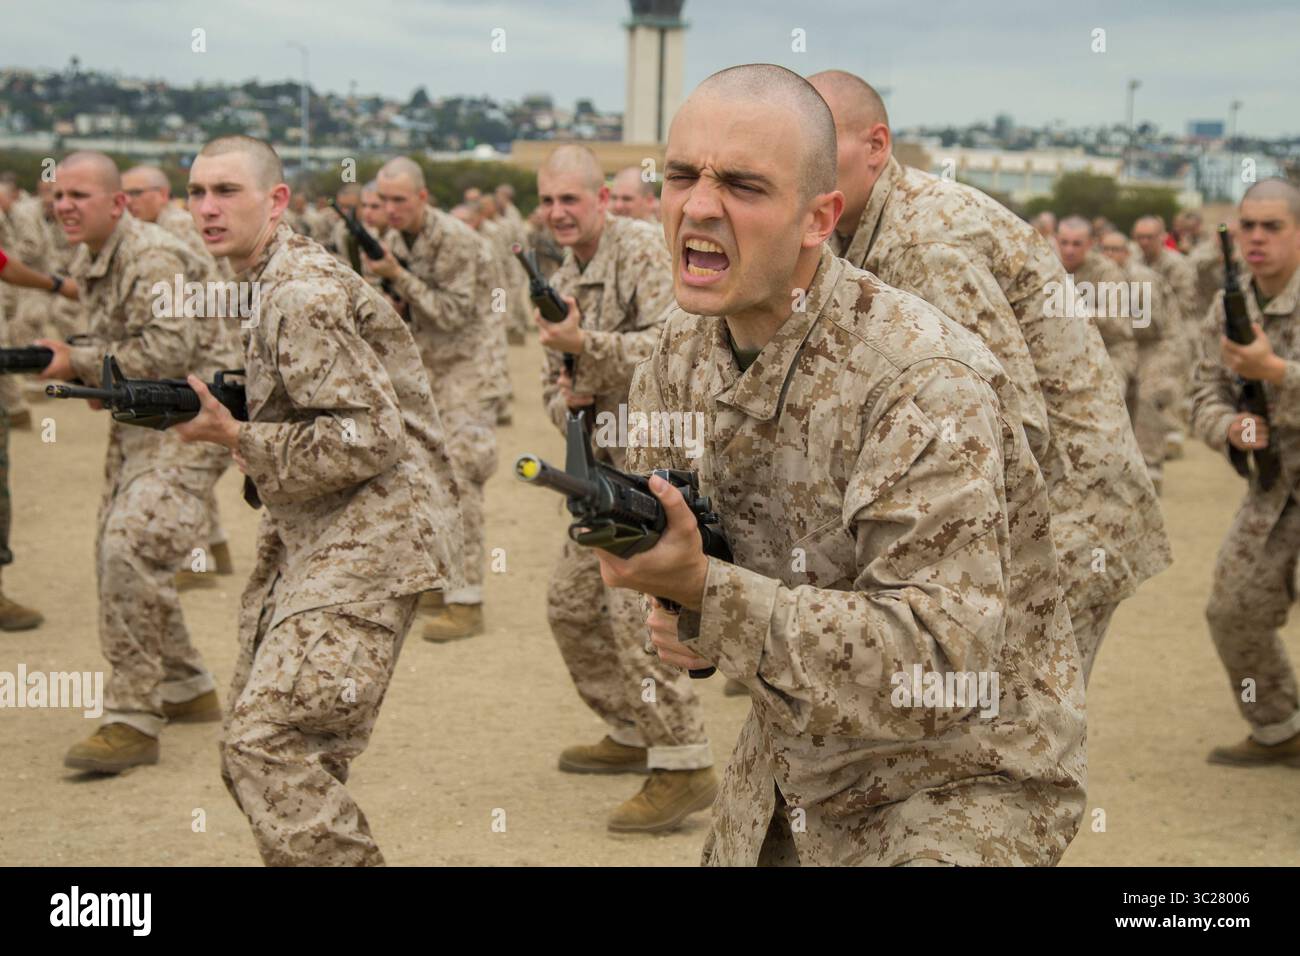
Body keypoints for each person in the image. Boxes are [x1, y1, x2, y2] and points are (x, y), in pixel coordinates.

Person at [599, 64, 1085, 866]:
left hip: (965, 775)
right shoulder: (675, 356)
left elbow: (937, 659)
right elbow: (708, 559)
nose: (698, 206)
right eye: (682, 175)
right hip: (798, 759)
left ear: (820, 217)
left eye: (744, 185)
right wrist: (680, 608)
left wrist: (706, 595)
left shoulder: (921, 378)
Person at [809, 69, 1166, 681]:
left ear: (876, 146)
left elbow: (1005, 419)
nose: (805, 164)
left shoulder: (925, 241)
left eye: (822, 145)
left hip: (1064, 518)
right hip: (1032, 512)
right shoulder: (857, 230)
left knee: (1014, 728)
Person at [174, 135, 463, 865]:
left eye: (226, 192)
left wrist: (235, 435)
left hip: (373, 537)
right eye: (198, 192)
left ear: (276, 201)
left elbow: (370, 437)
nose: (207, 208)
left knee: (267, 745)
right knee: (268, 751)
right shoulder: (269, 279)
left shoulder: (296, 292)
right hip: (321, 534)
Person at [534, 143, 717, 832]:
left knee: (633, 618)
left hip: (655, 465)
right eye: (548, 201)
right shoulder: (562, 277)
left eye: (571, 200)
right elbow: (553, 393)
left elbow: (680, 342)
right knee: (570, 607)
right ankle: (634, 727)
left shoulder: (641, 252)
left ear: (602, 199)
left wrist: (589, 351)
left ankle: (684, 764)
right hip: (597, 473)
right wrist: (569, 397)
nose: (558, 212)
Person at [40, 151, 238, 771]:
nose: (63, 205)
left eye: (79, 195)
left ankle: (132, 717)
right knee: (119, 549)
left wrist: (74, 360)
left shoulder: (151, 255)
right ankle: (186, 686)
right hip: (143, 421)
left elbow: (167, 346)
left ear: (117, 203)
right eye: (58, 194)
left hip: (190, 422)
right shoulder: (94, 256)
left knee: (130, 545)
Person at [1189, 179, 1300, 767]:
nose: (1257, 238)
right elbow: (1202, 390)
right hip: (1275, 486)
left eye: (1273, 226)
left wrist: (1276, 372)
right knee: (1233, 610)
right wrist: (1230, 427)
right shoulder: (1230, 307)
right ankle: (1280, 727)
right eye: (1248, 226)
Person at [368, 157, 497, 641]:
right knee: (421, 478)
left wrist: (399, 277)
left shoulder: (455, 241)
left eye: (400, 200)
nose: (391, 209)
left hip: (466, 371)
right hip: (423, 374)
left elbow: (453, 313)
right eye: (384, 201)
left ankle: (468, 601)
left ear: (423, 198)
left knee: (463, 478)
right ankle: (438, 581)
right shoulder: (394, 241)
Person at [122, 164, 236, 585]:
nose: (130, 202)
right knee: (190, 451)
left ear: (161, 193)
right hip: (203, 347)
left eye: (137, 193)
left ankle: (194, 560)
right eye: (125, 194)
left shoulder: (174, 231)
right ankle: (216, 548)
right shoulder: (162, 229)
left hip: (202, 353)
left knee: (183, 459)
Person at [1099, 228, 1189, 491]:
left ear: (1127, 254)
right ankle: (1123, 465)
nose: (1110, 255)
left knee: (1148, 396)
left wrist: (1105, 320)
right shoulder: (1099, 276)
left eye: (1116, 249)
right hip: (1126, 346)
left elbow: (1149, 324)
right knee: (1117, 398)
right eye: (1105, 248)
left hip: (1158, 344)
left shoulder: (1140, 279)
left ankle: (1151, 466)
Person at [1057, 216, 1140, 411]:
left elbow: (1118, 322)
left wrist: (1075, 311)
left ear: (1090, 244)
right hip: (1064, 350)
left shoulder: (1106, 272)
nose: (1069, 250)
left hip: (1110, 350)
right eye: (1064, 243)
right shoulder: (1046, 268)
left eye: (1077, 244)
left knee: (1107, 403)